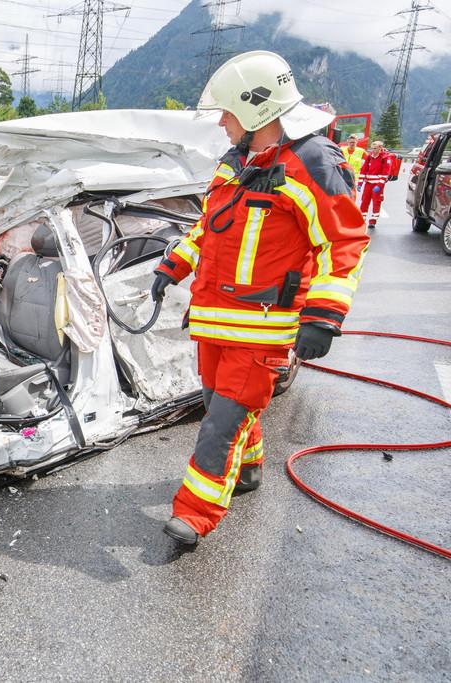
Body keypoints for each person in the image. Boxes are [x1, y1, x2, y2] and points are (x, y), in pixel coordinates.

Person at [150, 50, 370, 546]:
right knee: (220, 405)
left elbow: (343, 241)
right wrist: (173, 265)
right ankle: (247, 471)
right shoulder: (235, 164)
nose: (222, 123)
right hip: (212, 320)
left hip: (262, 327)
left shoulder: (311, 163)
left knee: (221, 421)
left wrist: (324, 314)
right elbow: (210, 229)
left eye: (228, 113)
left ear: (255, 111)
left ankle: (195, 513)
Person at [359, 140, 394, 229]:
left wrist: (379, 186)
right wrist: (360, 182)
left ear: (380, 148)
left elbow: (386, 173)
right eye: (372, 148)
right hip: (368, 183)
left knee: (376, 202)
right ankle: (362, 219)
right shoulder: (370, 156)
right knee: (364, 201)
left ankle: (373, 221)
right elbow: (364, 169)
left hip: (377, 185)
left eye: (375, 148)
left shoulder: (385, 158)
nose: (373, 150)